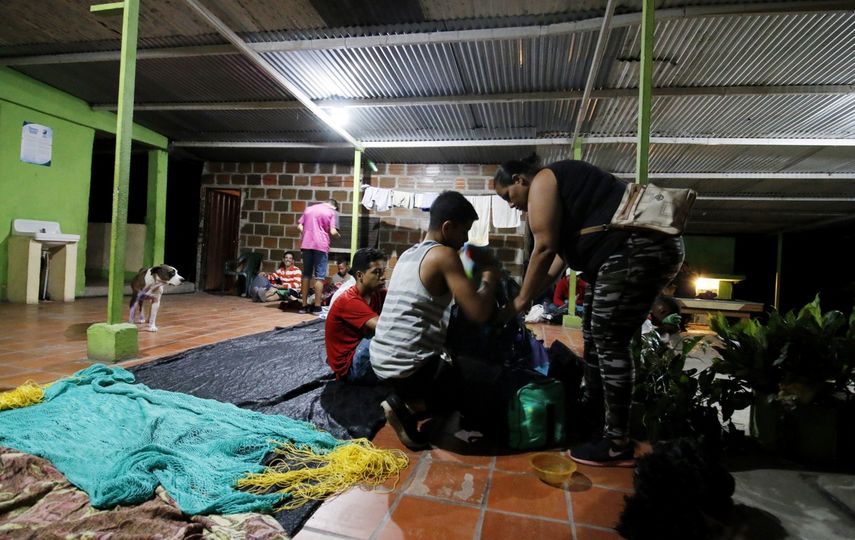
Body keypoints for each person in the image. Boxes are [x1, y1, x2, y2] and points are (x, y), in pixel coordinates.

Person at [494, 158, 684, 467]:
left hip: (634, 250)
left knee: (610, 341)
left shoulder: (543, 179)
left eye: (507, 196)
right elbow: (555, 264)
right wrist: (527, 298)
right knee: (594, 337)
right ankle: (594, 420)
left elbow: (542, 249)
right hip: (619, 256)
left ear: (519, 179)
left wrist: (519, 302)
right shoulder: (563, 194)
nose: (512, 205)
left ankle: (617, 443)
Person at [370, 191, 499, 449]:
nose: (465, 240)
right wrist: (490, 275)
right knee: (485, 378)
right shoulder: (444, 255)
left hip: (380, 362)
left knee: (451, 345)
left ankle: (408, 398)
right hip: (406, 369)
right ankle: (407, 404)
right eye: (464, 232)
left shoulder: (408, 255)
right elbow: (478, 313)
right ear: (448, 227)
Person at [324, 248, 388, 383]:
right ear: (360, 275)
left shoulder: (377, 293)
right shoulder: (349, 300)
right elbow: (387, 330)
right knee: (394, 336)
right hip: (351, 367)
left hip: (361, 350)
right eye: (377, 272)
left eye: (383, 271)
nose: (383, 277)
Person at [298, 199, 340, 314]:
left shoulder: (309, 209)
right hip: (321, 245)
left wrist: (308, 234)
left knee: (306, 275)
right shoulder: (332, 212)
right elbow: (333, 231)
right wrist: (338, 236)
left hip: (306, 244)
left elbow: (300, 227)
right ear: (335, 207)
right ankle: (317, 306)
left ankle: (303, 305)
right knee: (319, 277)